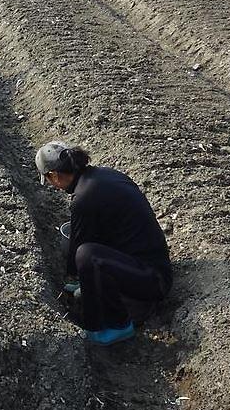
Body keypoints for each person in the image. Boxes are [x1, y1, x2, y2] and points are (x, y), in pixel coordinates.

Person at [35, 141, 172, 346]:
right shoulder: (103, 176)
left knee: (86, 255)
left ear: (54, 175)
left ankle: (115, 326)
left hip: (153, 280)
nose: (54, 186)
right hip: (148, 264)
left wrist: (74, 279)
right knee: (88, 256)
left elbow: (79, 249)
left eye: (50, 180)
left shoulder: (84, 197)